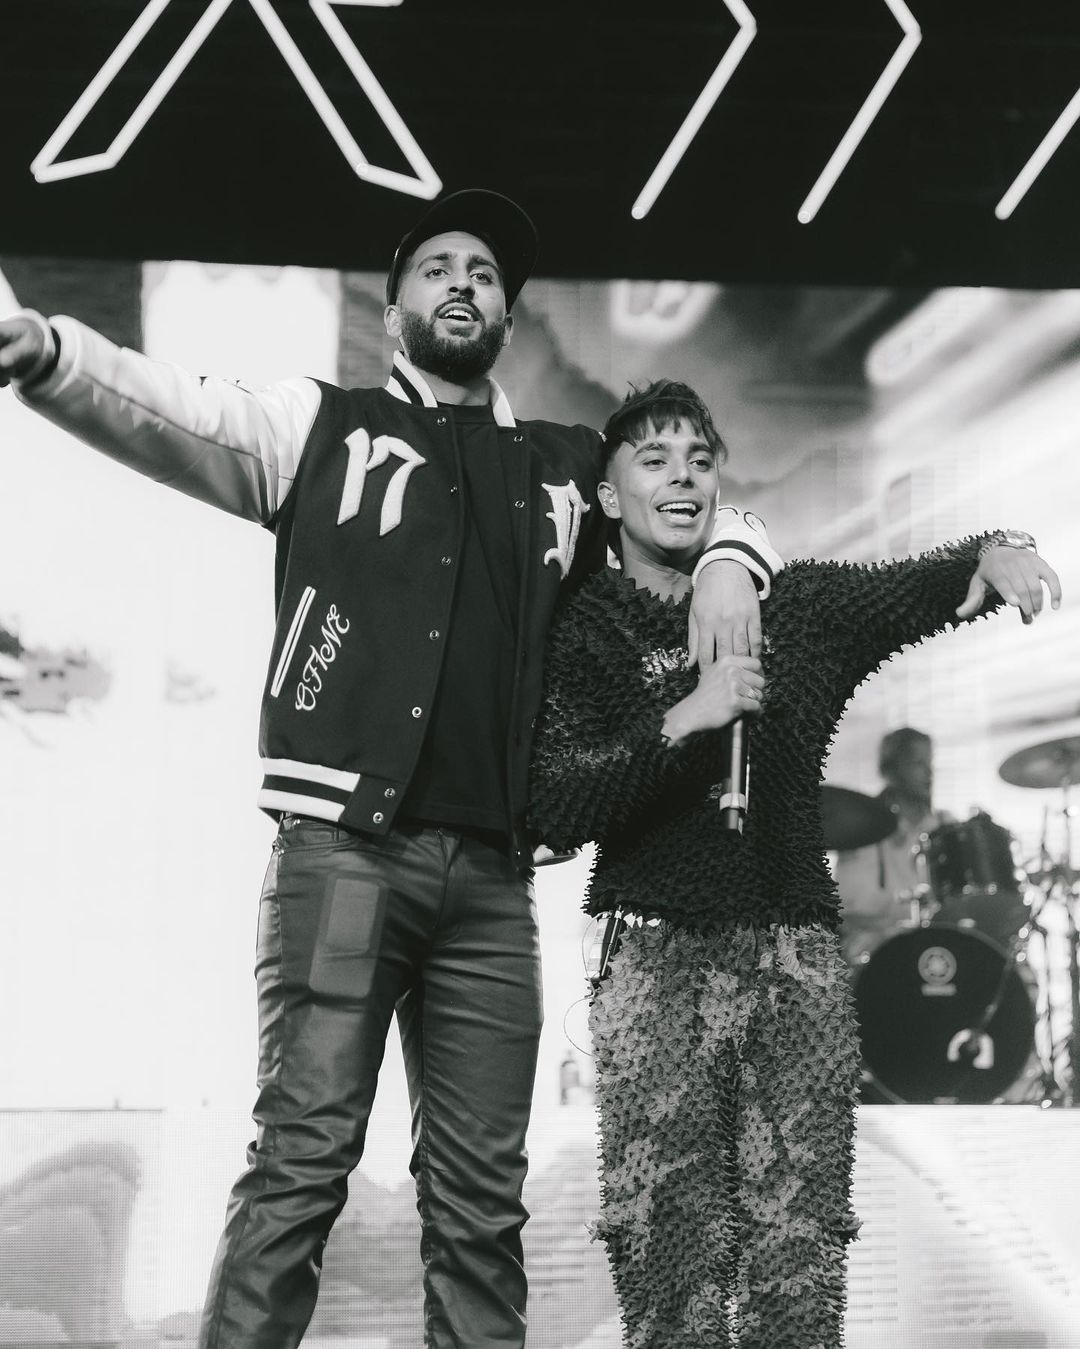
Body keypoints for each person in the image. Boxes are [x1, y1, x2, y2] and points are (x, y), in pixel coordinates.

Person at [0, 191, 782, 1349]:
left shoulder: (563, 467)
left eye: (485, 273)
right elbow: (173, 409)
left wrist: (728, 560)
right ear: (394, 304)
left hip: (493, 890)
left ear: (506, 315)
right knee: (301, 1164)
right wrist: (47, 353)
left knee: (482, 1205)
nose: (464, 282)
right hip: (343, 861)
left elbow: (701, 499)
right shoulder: (321, 425)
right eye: (438, 266)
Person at [527, 379, 1060, 1349]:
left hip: (795, 962)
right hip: (652, 964)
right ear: (609, 495)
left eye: (699, 459)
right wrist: (685, 720)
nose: (681, 477)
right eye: (654, 459)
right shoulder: (585, 626)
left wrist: (996, 546)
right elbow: (556, 803)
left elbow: (918, 585)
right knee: (668, 1257)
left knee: (798, 1259)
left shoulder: (799, 606)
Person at [834, 727, 950, 965]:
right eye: (918, 763)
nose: (929, 772)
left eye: (930, 763)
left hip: (934, 954)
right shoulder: (859, 829)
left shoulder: (945, 828)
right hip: (876, 958)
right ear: (891, 770)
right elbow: (847, 913)